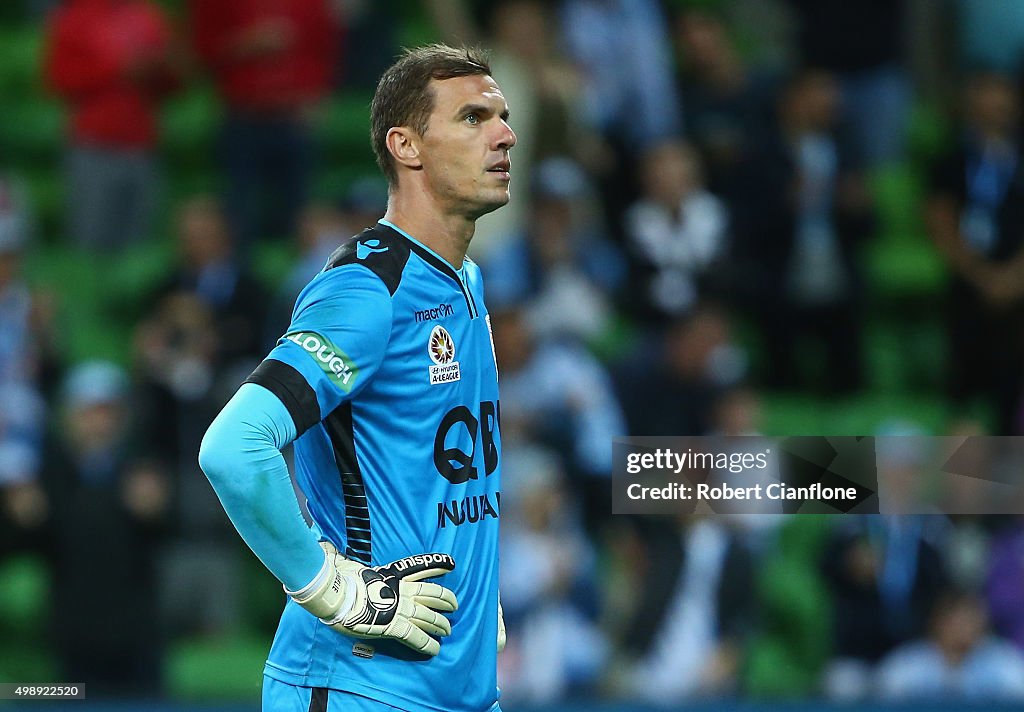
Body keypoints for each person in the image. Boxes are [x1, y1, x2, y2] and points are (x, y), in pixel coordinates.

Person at [199, 44, 515, 711]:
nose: (505, 134)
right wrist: (331, 588)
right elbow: (234, 446)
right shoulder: (367, 288)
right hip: (356, 684)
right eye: (473, 117)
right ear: (406, 146)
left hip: (455, 687)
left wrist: (482, 595)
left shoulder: (466, 279)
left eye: (503, 116)